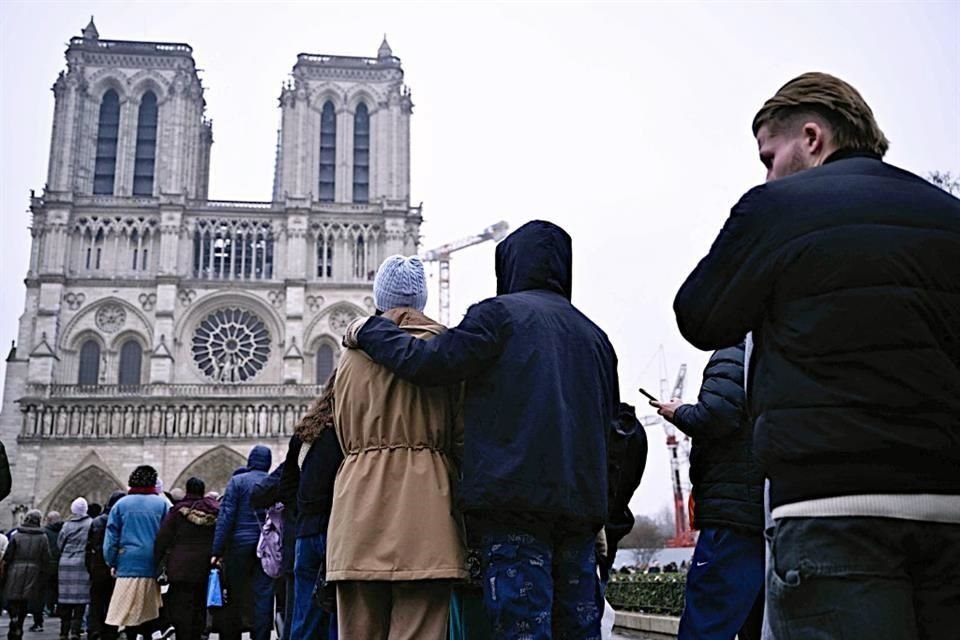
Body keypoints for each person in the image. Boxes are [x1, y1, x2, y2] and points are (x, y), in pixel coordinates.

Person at [673, 72, 960, 640]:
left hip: (831, 508)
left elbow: (700, 317)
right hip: (950, 509)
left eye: (769, 155)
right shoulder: (947, 214)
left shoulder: (776, 208)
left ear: (812, 137)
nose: (767, 172)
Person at [345, 223, 620, 638]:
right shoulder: (596, 338)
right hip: (580, 510)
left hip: (513, 505)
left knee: (521, 627)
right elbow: (614, 433)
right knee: (579, 629)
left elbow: (428, 364)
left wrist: (371, 329)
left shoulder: (498, 316)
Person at [329, 255, 466, 639]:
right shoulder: (446, 350)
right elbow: (461, 433)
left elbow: (342, 431)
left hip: (356, 508)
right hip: (428, 507)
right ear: (421, 298)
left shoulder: (350, 358)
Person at [652, 344, 764, 640]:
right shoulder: (779, 346)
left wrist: (680, 413)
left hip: (732, 515)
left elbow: (716, 415)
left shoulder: (734, 350)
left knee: (707, 623)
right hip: (769, 512)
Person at [210, 445, 273, 640]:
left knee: (236, 594)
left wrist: (217, 550)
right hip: (266, 547)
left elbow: (226, 517)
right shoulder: (273, 482)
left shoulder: (237, 481)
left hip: (239, 545)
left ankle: (234, 633)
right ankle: (260, 635)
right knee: (264, 595)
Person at [104, 466, 169, 639]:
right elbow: (168, 537)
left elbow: (111, 540)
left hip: (127, 563)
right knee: (148, 609)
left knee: (127, 611)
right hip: (151, 563)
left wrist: (111, 561)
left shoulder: (120, 505)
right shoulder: (162, 504)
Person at [154, 477, 219, 640]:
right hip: (205, 565)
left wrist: (157, 560)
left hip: (179, 567)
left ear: (187, 490)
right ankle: (198, 634)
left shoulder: (177, 511)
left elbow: (164, 537)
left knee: (181, 605)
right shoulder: (214, 511)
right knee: (200, 603)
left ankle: (183, 635)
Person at [2, 510, 51, 639]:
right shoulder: (43, 537)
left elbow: (8, 556)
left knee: (13, 599)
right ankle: (20, 624)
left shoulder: (16, 535)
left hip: (15, 570)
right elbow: (46, 558)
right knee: (24, 602)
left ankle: (14, 617)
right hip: (33, 572)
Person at [87, 492, 125, 640]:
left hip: (97, 566)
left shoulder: (96, 521)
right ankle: (110, 631)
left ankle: (94, 629)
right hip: (114, 567)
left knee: (96, 600)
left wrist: (90, 567)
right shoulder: (120, 520)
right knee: (112, 601)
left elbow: (88, 547)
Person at [57, 497, 94, 640]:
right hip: (82, 563)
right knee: (80, 602)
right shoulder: (90, 524)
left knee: (65, 601)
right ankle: (75, 632)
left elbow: (60, 544)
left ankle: (63, 632)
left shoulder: (66, 526)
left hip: (65, 564)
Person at [39, 511, 63, 626]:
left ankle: (49, 607)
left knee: (49, 587)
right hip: (61, 562)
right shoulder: (64, 530)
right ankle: (58, 607)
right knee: (59, 586)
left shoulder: (44, 532)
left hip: (48, 563)